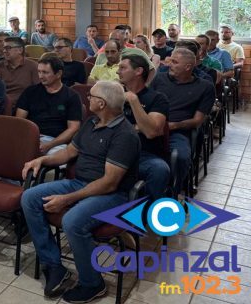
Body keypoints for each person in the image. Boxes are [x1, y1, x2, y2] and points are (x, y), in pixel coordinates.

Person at [21, 80, 140, 303]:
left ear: (102, 103)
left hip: (112, 195)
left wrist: (67, 199)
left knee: (73, 221)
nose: (87, 99)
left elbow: (109, 183)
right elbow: (68, 153)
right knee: (29, 197)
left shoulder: (124, 135)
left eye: (91, 96)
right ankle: (54, 265)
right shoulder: (92, 122)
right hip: (81, 183)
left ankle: (93, 283)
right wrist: (42, 159)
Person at [150, 47, 215, 195]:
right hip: (152, 126)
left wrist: (173, 126)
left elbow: (198, 121)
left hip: (177, 131)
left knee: (180, 156)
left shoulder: (204, 87)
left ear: (187, 67)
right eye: (170, 60)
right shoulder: (159, 79)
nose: (169, 64)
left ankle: (175, 192)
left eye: (174, 62)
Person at [118, 54, 170, 201]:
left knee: (159, 170)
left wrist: (134, 100)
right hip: (113, 150)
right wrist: (136, 126)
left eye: (123, 68)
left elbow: (151, 131)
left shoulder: (157, 98)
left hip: (143, 154)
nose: (118, 72)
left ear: (138, 71)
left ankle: (148, 213)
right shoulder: (115, 95)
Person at [16, 57, 82, 155]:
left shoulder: (72, 96)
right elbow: (19, 120)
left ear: (59, 74)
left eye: (45, 72)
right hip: (30, 136)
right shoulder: (30, 92)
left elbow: (73, 129)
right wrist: (30, 138)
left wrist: (49, 145)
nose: (41, 76)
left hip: (56, 141)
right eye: (39, 72)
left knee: (61, 159)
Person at [0, 37, 39, 103]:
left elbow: (38, 91)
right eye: (4, 48)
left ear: (20, 50)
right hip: (3, 104)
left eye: (8, 48)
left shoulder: (33, 66)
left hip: (26, 104)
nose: (4, 51)